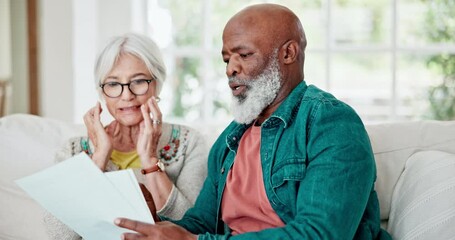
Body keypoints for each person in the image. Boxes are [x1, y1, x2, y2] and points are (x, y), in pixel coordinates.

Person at [115, 3, 392, 239]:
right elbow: (200, 225)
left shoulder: (330, 123)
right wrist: (151, 227)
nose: (231, 69)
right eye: (226, 59)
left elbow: (320, 233)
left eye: (244, 55)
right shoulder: (229, 141)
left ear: (288, 53)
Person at [43, 33, 209, 239]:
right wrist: (98, 159)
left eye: (138, 81)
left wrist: (150, 161)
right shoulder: (73, 151)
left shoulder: (188, 143)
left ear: (157, 84)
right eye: (113, 84)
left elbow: (193, 230)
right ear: (101, 92)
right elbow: (59, 236)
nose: (126, 95)